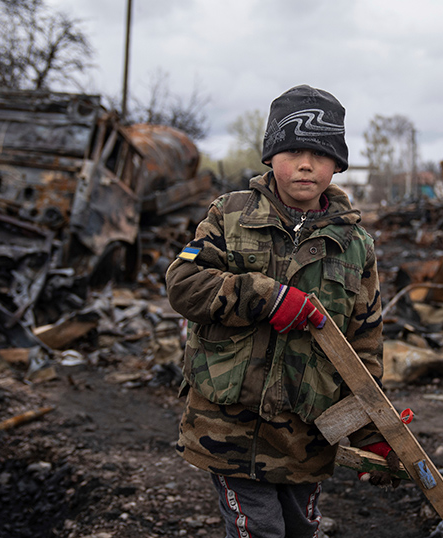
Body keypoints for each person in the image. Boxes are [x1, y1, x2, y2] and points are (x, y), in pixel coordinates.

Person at [165, 84, 397, 538]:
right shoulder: (227, 216)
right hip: (228, 429)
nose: (306, 164)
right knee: (259, 530)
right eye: (292, 150)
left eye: (320, 152)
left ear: (337, 164)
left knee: (300, 529)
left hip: (304, 438)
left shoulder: (355, 247)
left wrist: (371, 431)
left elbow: (363, 343)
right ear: (271, 157)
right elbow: (183, 283)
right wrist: (264, 297)